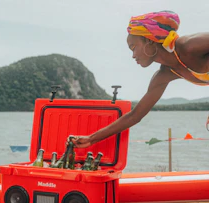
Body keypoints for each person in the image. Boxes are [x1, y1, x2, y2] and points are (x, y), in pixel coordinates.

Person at [70, 10, 209, 149]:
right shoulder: (165, 74)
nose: (133, 55)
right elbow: (134, 116)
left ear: (148, 40)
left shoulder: (190, 46)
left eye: (133, 47)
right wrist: (91, 139)